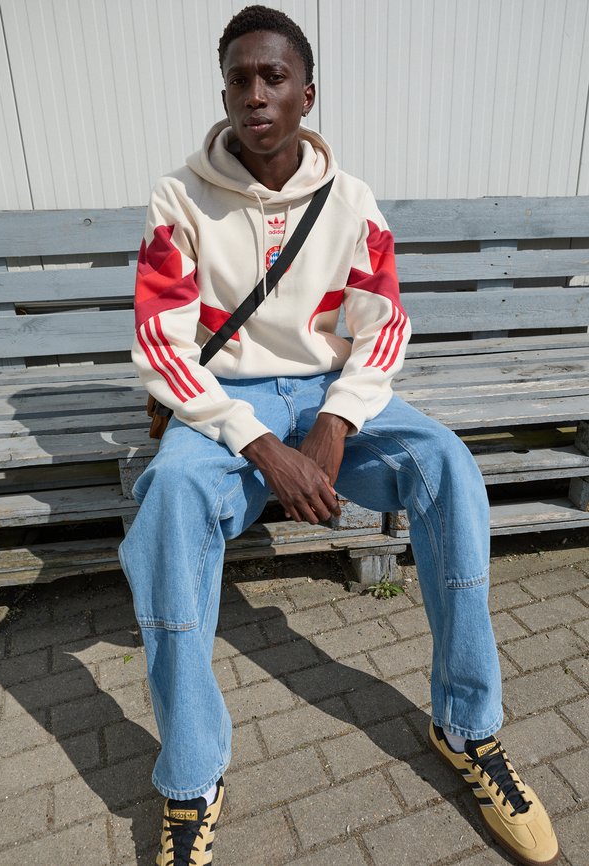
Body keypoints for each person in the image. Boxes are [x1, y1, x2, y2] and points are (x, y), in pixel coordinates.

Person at [118, 6, 559, 865]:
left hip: (331, 395)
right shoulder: (179, 199)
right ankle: (192, 778)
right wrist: (263, 447)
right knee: (169, 499)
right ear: (224, 93)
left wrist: (334, 422)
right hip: (226, 403)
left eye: (273, 77)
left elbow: (383, 325)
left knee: (448, 467)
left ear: (306, 94)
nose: (255, 94)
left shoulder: (349, 200)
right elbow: (160, 344)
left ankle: (467, 728)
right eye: (239, 79)